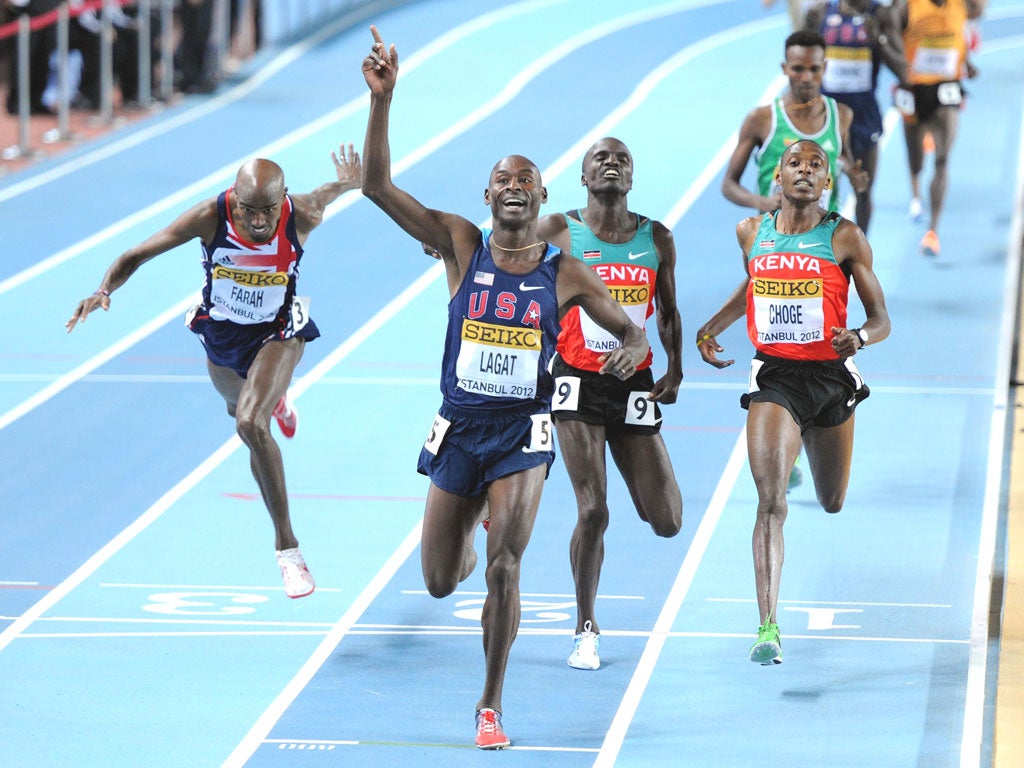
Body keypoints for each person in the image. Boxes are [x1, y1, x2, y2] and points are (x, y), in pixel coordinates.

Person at [360, 26, 649, 750]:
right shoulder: (459, 242)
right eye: (503, 179)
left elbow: (630, 328)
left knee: (505, 568)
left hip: (524, 434)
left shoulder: (565, 271)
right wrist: (383, 101)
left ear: (543, 196)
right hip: (459, 430)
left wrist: (633, 348)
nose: (514, 187)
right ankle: (472, 522)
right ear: (487, 192)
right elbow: (375, 187)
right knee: (437, 580)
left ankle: (489, 705)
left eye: (527, 180)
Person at [66, 145, 363, 599]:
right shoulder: (210, 216)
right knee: (239, 410)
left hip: (278, 333)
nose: (260, 221)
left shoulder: (302, 214)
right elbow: (138, 254)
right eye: (250, 211)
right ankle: (274, 397)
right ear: (234, 198)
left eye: (268, 210)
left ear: (283, 199)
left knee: (250, 423)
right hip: (222, 338)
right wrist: (102, 289)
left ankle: (288, 549)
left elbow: (324, 194)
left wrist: (347, 181)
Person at [697, 139, 890, 665]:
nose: (804, 171)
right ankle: (767, 626)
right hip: (776, 375)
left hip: (830, 377)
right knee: (770, 502)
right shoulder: (750, 232)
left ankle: (804, 439)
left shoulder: (844, 236)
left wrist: (861, 337)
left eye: (816, 165)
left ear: (827, 182)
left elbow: (881, 319)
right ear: (777, 178)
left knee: (832, 500)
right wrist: (714, 324)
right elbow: (755, 284)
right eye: (794, 164)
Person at [535, 137, 683, 671]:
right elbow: (505, 249)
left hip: (635, 382)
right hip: (575, 379)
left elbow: (666, 311)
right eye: (601, 158)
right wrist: (451, 248)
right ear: (583, 176)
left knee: (667, 520)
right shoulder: (558, 230)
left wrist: (675, 367)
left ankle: (587, 605)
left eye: (623, 158)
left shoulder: (656, 237)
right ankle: (585, 627)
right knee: (593, 508)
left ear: (633, 177)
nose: (612, 163)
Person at [722, 28, 869, 490]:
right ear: (785, 69)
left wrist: (852, 175)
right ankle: (785, 426)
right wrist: (765, 207)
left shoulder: (840, 116)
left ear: (825, 70)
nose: (806, 76)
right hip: (771, 237)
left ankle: (809, 422)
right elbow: (729, 184)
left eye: (814, 68)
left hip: (822, 237)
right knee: (775, 327)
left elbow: (842, 162)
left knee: (816, 329)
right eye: (798, 68)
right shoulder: (763, 119)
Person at [891, 0, 986, 256]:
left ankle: (933, 231)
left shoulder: (961, 5)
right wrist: (899, 66)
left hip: (947, 87)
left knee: (943, 160)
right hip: (913, 88)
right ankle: (916, 197)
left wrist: (967, 62)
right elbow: (888, 32)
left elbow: (976, 15)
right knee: (916, 159)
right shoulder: (906, 5)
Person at [804, 0, 906, 232]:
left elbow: (903, 70)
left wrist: (878, 39)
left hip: (864, 117)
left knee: (863, 190)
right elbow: (798, 61)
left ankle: (861, 252)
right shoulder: (819, 14)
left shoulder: (880, 16)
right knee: (820, 191)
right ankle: (822, 251)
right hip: (826, 117)